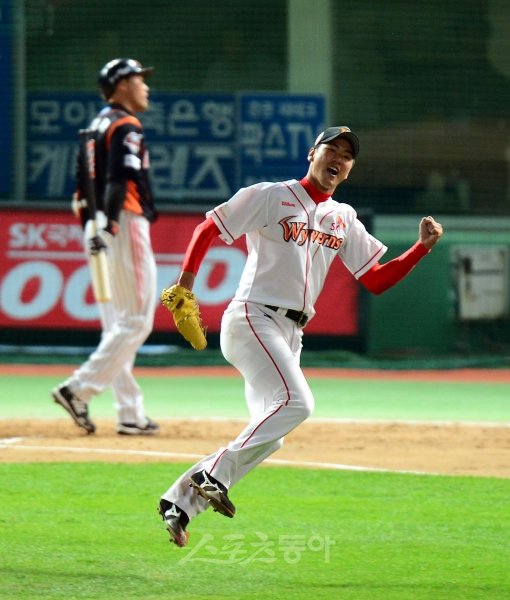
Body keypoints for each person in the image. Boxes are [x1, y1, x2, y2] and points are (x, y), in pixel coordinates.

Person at [158, 126, 443, 546]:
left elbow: (376, 280)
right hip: (253, 317)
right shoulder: (270, 195)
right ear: (313, 153)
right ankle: (211, 475)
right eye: (333, 149)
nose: (340, 158)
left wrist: (420, 249)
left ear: (349, 170)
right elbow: (207, 229)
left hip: (291, 333)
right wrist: (185, 286)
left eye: (348, 156)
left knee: (271, 434)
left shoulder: (343, 218)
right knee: (297, 402)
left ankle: (179, 502)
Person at [52, 58, 159, 436]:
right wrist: (112, 223)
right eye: (138, 79)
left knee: (118, 322)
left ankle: (130, 412)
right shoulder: (126, 124)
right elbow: (119, 178)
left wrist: (94, 227)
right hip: (122, 220)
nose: (145, 85)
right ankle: (77, 389)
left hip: (95, 223)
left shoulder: (97, 123)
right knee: (137, 319)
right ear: (120, 84)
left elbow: (82, 182)